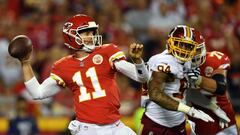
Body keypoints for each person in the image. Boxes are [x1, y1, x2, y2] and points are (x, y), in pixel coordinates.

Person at [17, 14, 149, 135]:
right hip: (87, 129)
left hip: (114, 126)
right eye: (86, 33)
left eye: (92, 32)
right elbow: (37, 93)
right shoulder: (63, 66)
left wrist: (137, 61)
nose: (91, 36)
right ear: (72, 36)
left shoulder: (107, 51)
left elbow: (142, 77)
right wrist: (25, 63)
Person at [138, 25, 214, 135]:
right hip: (156, 123)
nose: (184, 49)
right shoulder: (164, 61)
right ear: (170, 42)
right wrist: (189, 111)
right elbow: (155, 94)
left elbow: (183, 89)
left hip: (178, 124)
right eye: (181, 44)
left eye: (188, 46)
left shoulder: (187, 61)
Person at [185, 30, 239, 135]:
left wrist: (197, 79)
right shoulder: (178, 66)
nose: (193, 54)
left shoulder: (214, 59)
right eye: (190, 49)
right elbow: (190, 95)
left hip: (223, 124)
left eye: (197, 50)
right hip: (198, 125)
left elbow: (220, 87)